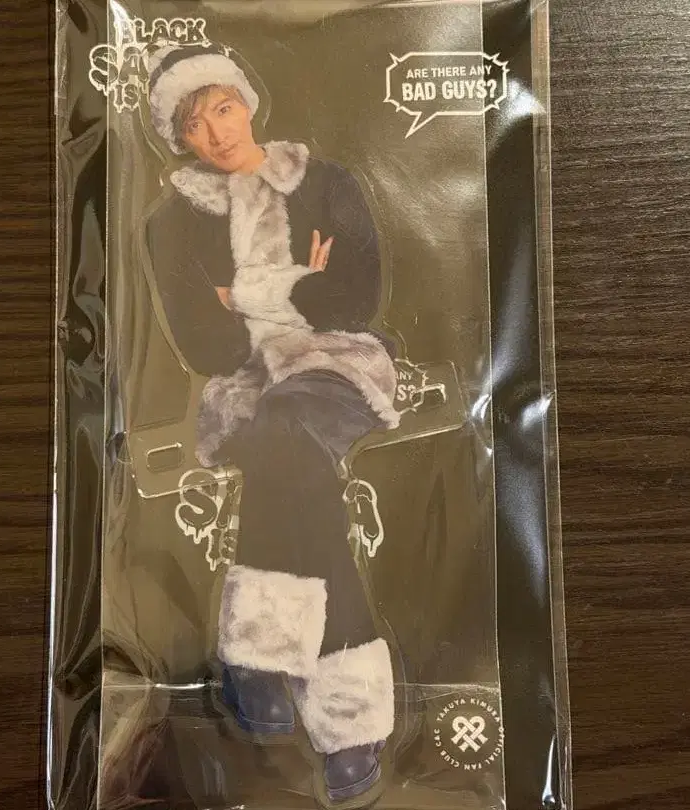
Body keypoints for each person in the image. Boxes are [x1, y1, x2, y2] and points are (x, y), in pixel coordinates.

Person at [145, 44, 400, 805]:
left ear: (247, 103)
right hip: (246, 389)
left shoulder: (326, 182)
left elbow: (356, 299)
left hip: (338, 368)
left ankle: (256, 660)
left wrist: (245, 295)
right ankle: (350, 726)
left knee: (284, 427)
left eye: (223, 109)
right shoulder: (171, 222)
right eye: (195, 125)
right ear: (181, 140)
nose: (217, 133)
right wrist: (298, 282)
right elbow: (206, 345)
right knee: (281, 440)